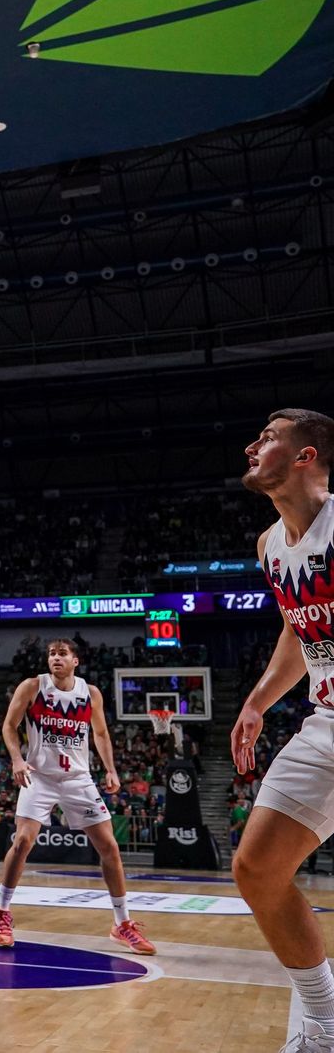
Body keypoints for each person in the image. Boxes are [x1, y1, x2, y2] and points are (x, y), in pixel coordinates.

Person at [230, 410, 334, 1051]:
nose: (252, 443)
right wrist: (258, 701)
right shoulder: (271, 546)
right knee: (257, 868)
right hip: (326, 721)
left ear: (306, 456)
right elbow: (300, 628)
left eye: (268, 435)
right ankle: (324, 1016)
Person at [0, 640, 155, 955]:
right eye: (52, 653)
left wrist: (111, 770)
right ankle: (1, 913)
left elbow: (102, 734)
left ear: (75, 661)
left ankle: (122, 924)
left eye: (62, 654)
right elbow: (9, 727)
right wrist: (16, 759)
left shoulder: (89, 693)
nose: (56, 658)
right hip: (39, 776)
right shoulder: (32, 686)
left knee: (110, 848)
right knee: (23, 841)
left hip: (78, 778)